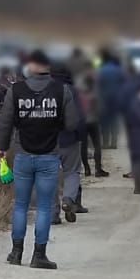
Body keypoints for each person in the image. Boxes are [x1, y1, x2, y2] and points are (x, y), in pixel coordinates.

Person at [0, 49, 79, 269]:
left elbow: (4, 122)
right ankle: (39, 255)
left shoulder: (16, 90)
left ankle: (16, 252)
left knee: (20, 205)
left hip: (22, 154)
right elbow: (72, 123)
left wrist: (2, 147)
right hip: (49, 156)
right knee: (43, 207)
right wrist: (54, 123)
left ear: (30, 66)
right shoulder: (62, 90)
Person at [51, 62, 87, 222]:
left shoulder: (43, 90)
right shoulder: (73, 91)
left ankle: (53, 213)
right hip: (69, 139)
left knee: (49, 175)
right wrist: (81, 136)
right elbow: (80, 117)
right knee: (72, 172)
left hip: (47, 141)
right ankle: (68, 199)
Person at [96, 49, 128, 149]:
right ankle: (114, 143)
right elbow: (124, 84)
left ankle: (105, 143)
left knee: (105, 120)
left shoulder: (101, 70)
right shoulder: (119, 70)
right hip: (117, 98)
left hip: (104, 98)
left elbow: (98, 85)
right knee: (115, 120)